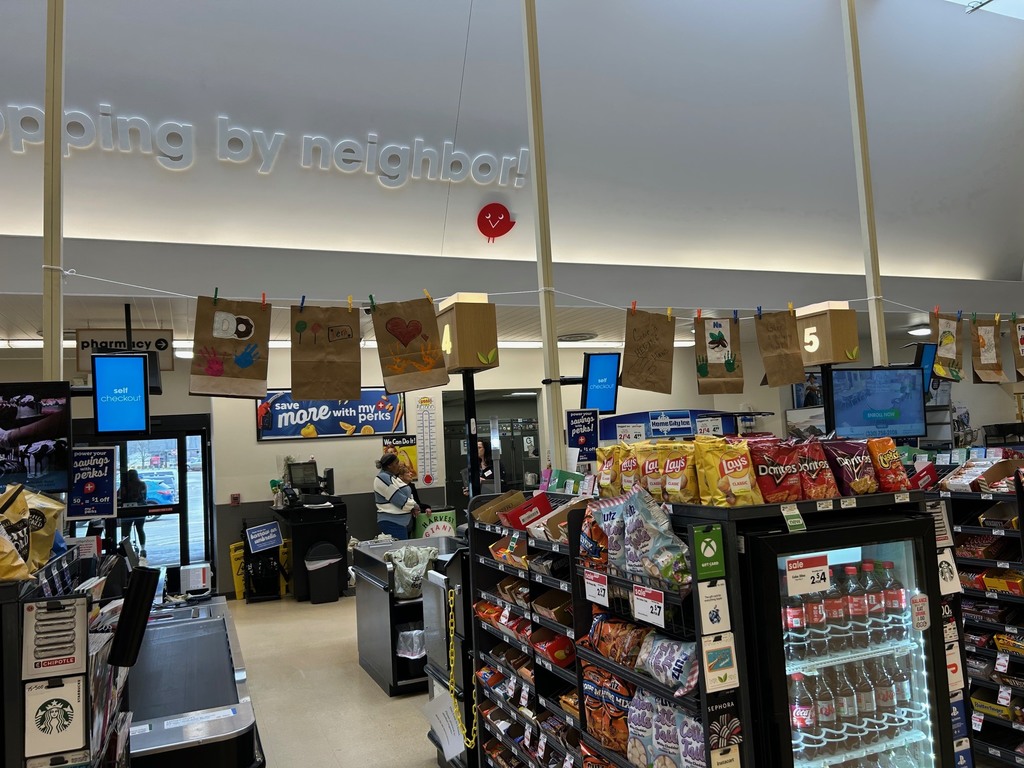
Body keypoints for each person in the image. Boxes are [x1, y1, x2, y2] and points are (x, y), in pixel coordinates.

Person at [374, 453, 419, 540]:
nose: (399, 465)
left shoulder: (393, 477)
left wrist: (412, 505)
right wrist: (414, 505)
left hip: (401, 522)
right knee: (400, 551)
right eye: (397, 463)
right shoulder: (382, 478)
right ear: (390, 465)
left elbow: (407, 495)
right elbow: (398, 499)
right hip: (392, 522)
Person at [118, 469, 148, 558]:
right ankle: (143, 548)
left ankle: (128, 549)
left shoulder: (124, 486)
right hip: (140, 509)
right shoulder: (142, 484)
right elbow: (144, 497)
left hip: (127, 510)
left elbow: (119, 496)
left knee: (126, 531)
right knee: (140, 529)